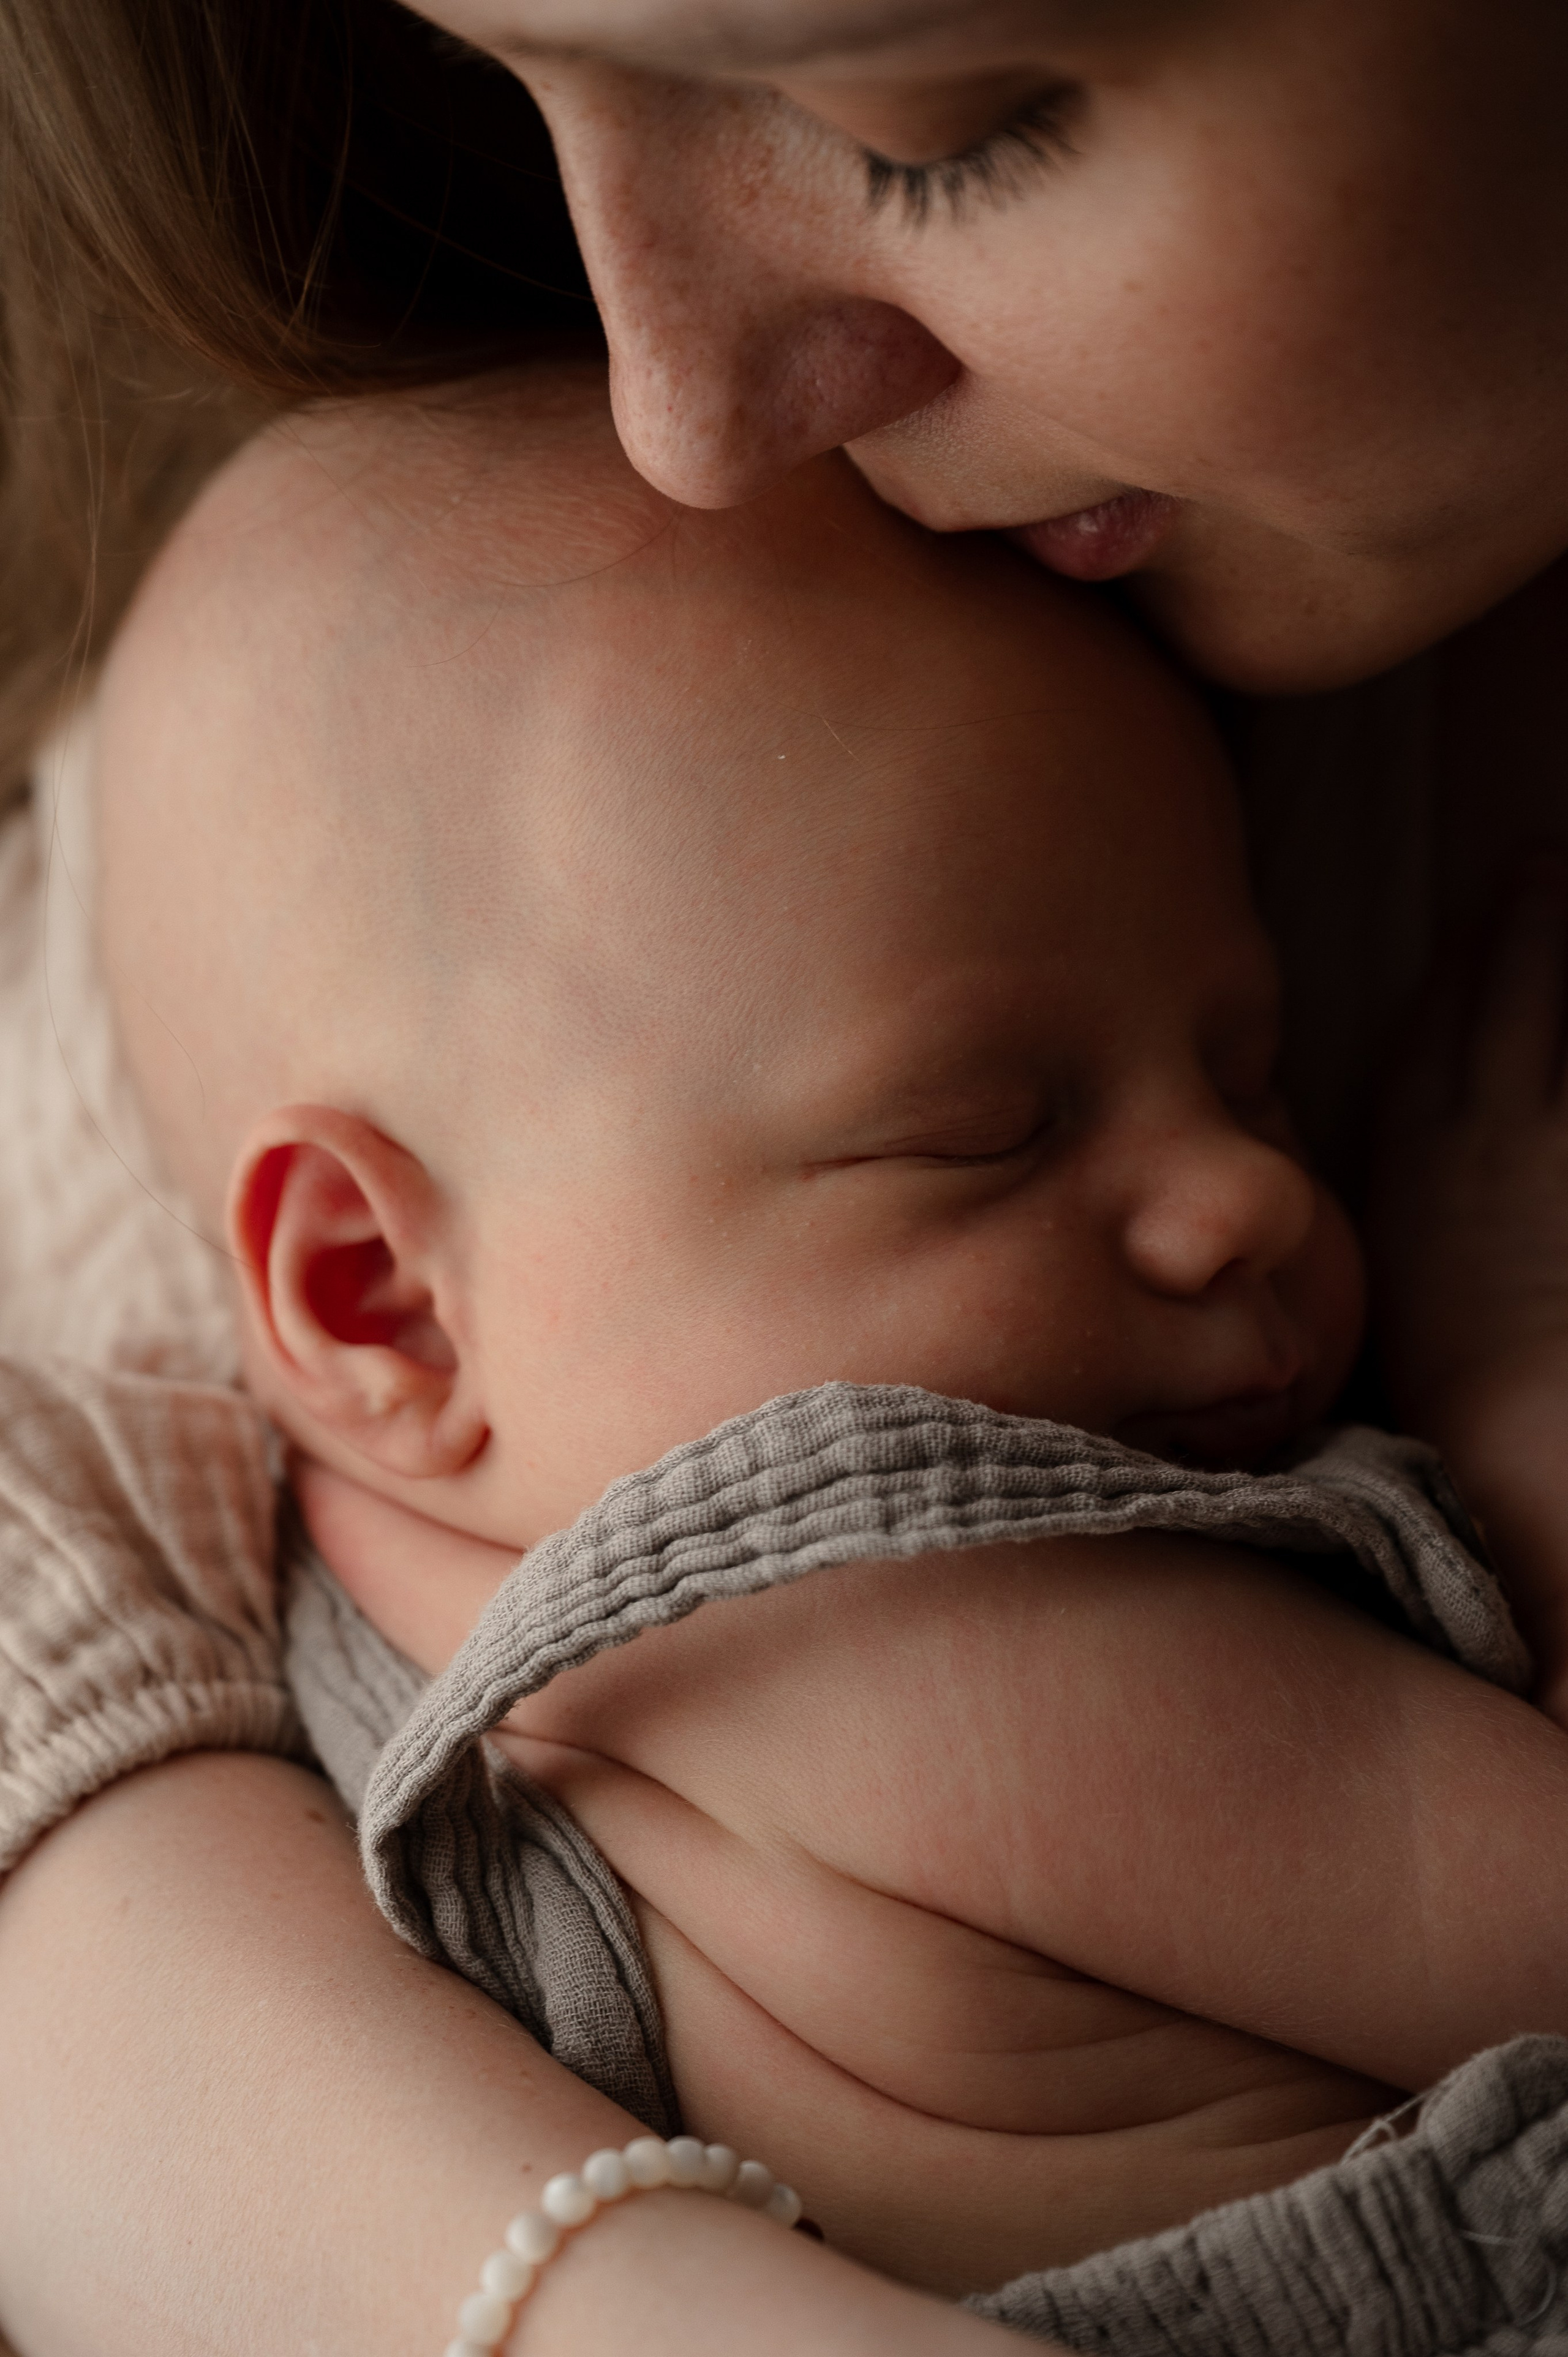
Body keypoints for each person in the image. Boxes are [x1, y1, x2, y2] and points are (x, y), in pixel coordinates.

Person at [0, 1, 1566, 2351]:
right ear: (377, 1298)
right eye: (983, 1133)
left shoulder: (457, 1482)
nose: (1250, 1197)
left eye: (921, 127)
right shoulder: (883, 1623)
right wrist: (1523, 1377)